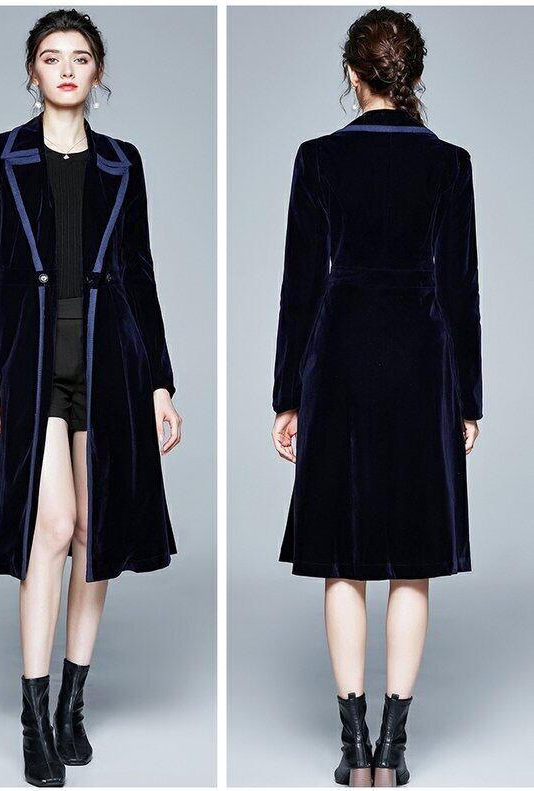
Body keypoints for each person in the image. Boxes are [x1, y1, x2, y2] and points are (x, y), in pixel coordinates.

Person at [0, 9, 182, 787]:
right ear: (32, 71)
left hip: (108, 361)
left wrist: (160, 381)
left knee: (95, 531)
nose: (65, 69)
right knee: (51, 526)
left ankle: (71, 705)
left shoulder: (123, 163)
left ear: (97, 71)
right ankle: (33, 715)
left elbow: (140, 273)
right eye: (52, 57)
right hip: (30, 365)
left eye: (80, 57)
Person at [271, 7, 482, 786]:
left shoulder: (318, 158)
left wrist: (287, 393)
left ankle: (354, 744)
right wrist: (468, 400)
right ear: (413, 76)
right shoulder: (450, 164)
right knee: (411, 560)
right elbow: (462, 288)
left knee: (344, 555)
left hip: (341, 359)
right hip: (423, 360)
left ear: (352, 74)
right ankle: (394, 748)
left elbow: (299, 285)